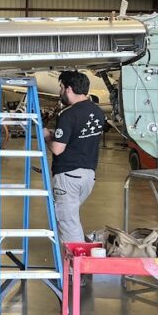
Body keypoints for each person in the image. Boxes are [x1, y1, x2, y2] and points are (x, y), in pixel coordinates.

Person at [45, 70, 107, 247]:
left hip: (68, 176)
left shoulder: (68, 114)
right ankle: (73, 267)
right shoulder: (98, 113)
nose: (60, 92)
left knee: (68, 223)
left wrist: (47, 136)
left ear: (69, 89)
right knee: (70, 218)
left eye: (62, 88)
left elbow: (57, 149)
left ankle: (75, 271)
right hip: (88, 176)